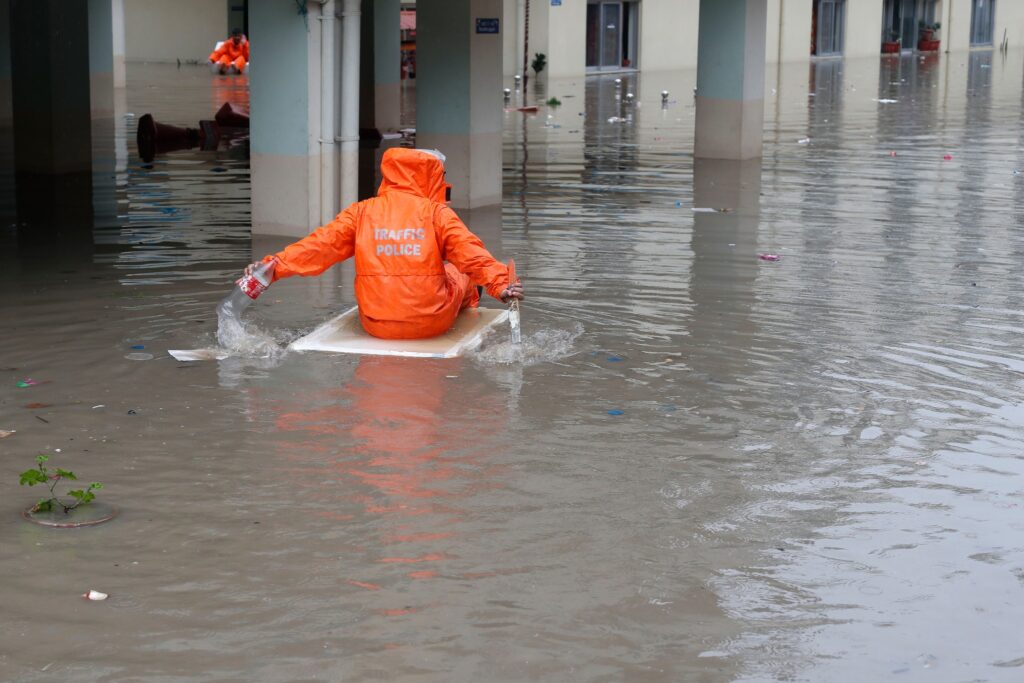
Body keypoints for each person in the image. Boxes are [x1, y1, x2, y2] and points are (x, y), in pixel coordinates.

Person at [242, 147, 524, 340]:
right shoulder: (438, 214)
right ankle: (470, 306)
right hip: (431, 323)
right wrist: (501, 284)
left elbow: (318, 248)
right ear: (433, 176)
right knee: (461, 271)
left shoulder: (361, 211)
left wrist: (272, 267)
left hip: (375, 323)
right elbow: (473, 257)